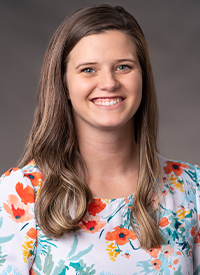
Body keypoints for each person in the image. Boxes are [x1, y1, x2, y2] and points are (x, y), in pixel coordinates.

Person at [0, 4, 199, 274]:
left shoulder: (192, 190)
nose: (109, 82)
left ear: (143, 77)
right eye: (88, 70)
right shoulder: (18, 194)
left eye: (123, 66)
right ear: (64, 85)